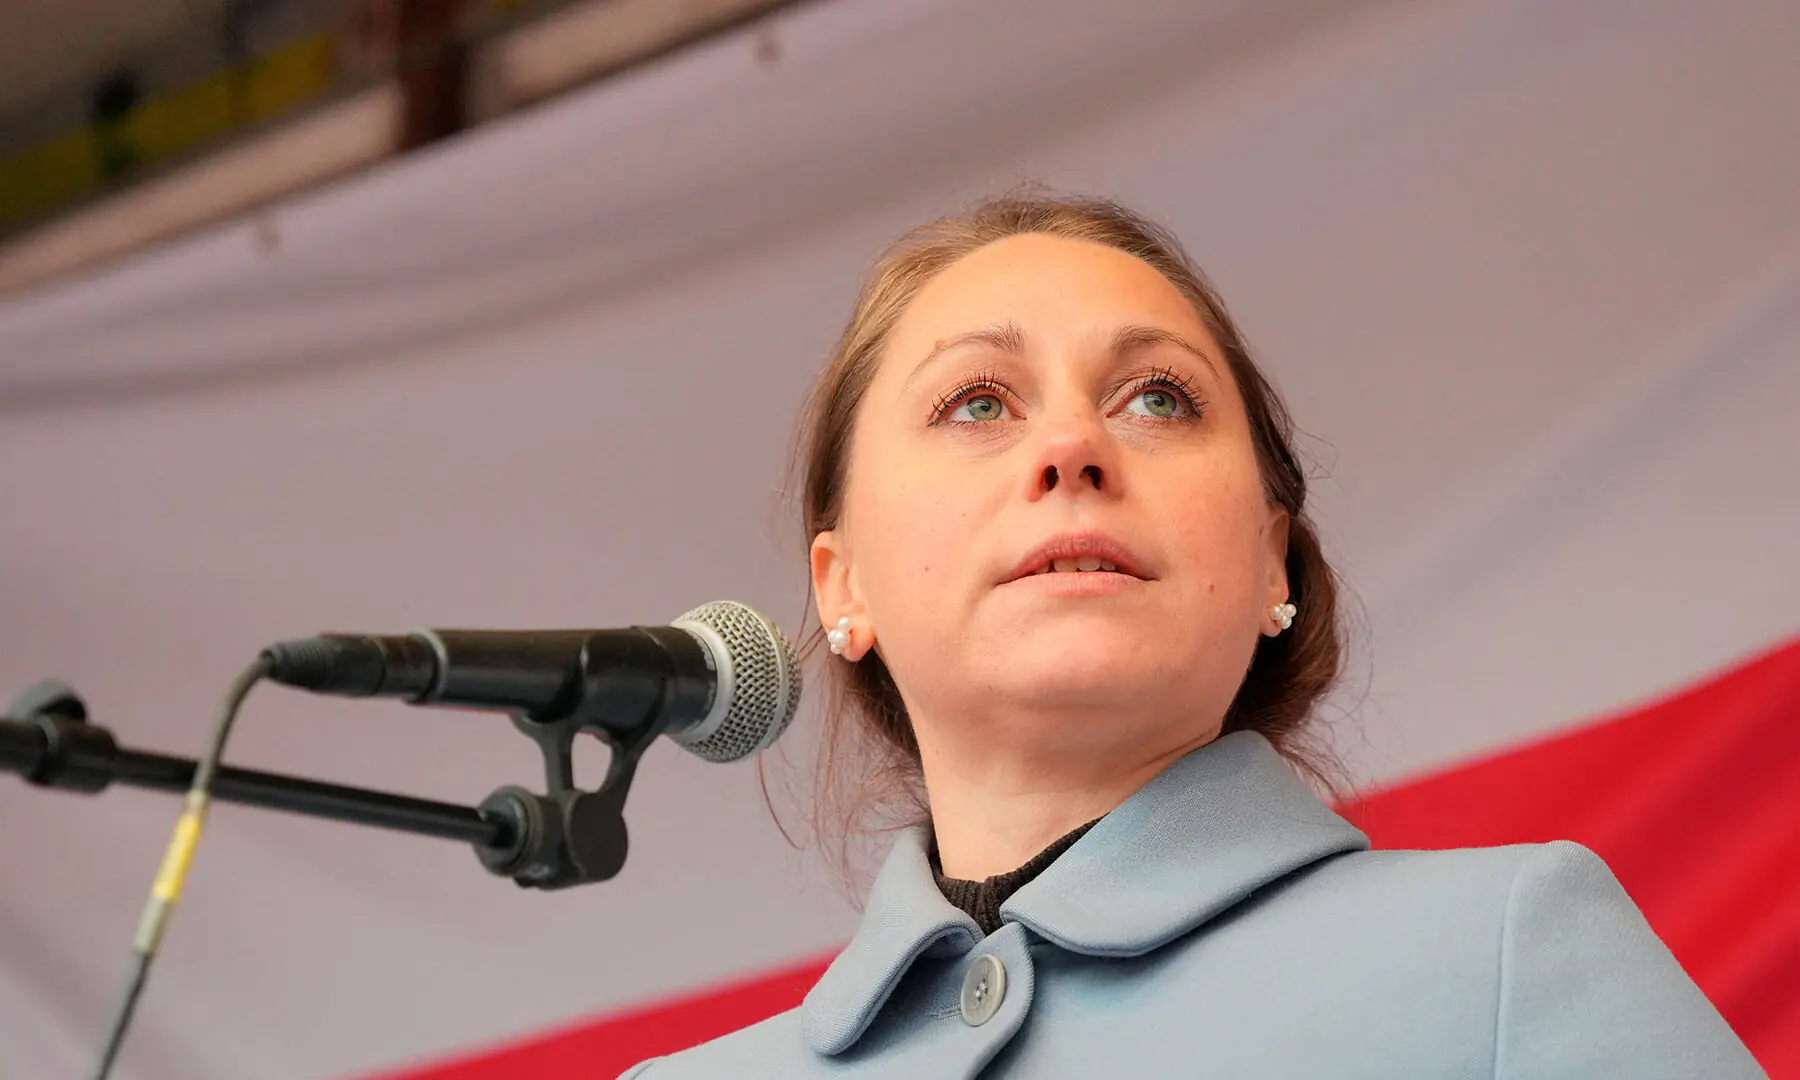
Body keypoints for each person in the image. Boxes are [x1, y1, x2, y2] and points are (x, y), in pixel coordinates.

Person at [620, 194, 1766, 1078]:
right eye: (979, 402)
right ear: (841, 585)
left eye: (1157, 398)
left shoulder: (1507, 952)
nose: (1072, 447)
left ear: (1275, 559)